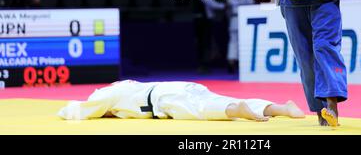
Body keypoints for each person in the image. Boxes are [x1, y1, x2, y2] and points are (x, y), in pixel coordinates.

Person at [58, 80, 305, 121]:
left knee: (202, 109)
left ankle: (235, 110)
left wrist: (64, 112)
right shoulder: (130, 87)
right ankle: (283, 108)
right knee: (219, 97)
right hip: (182, 85)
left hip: (165, 99)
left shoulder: (105, 94)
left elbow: (81, 110)